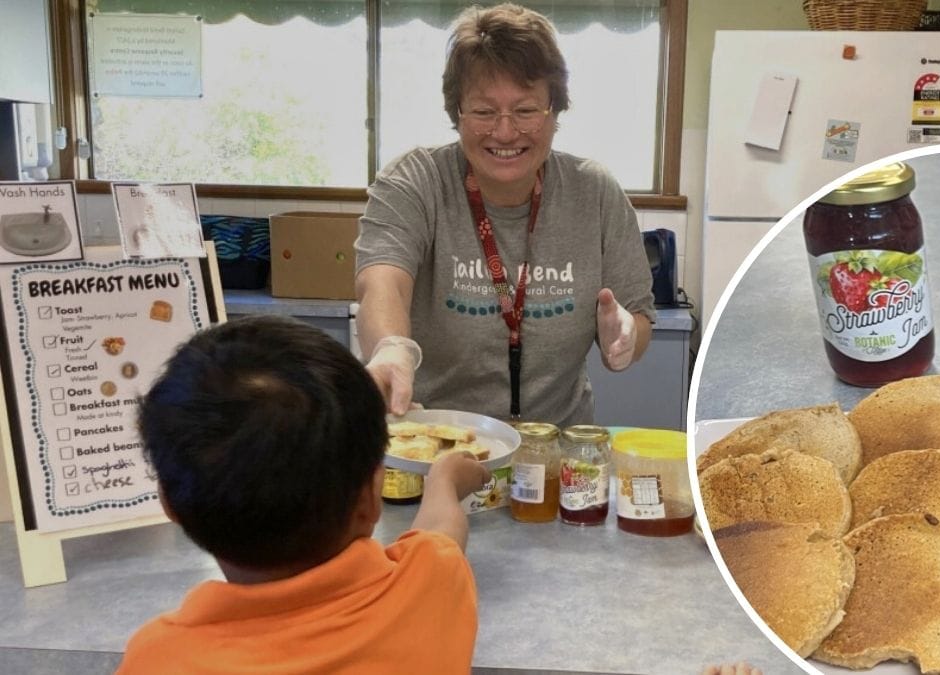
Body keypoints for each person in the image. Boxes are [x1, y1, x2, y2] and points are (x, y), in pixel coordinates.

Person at [117, 315, 492, 674]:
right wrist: (443, 481)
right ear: (371, 497)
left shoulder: (157, 659)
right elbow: (442, 532)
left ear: (169, 503)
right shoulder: (431, 589)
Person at [355, 2, 656, 427]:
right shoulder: (417, 180)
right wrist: (391, 347)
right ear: (456, 114)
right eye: (483, 111)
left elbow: (638, 313)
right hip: (436, 443)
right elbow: (382, 281)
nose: (504, 131)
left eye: (526, 110)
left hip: (554, 451)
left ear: (555, 112)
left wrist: (625, 336)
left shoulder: (595, 192)